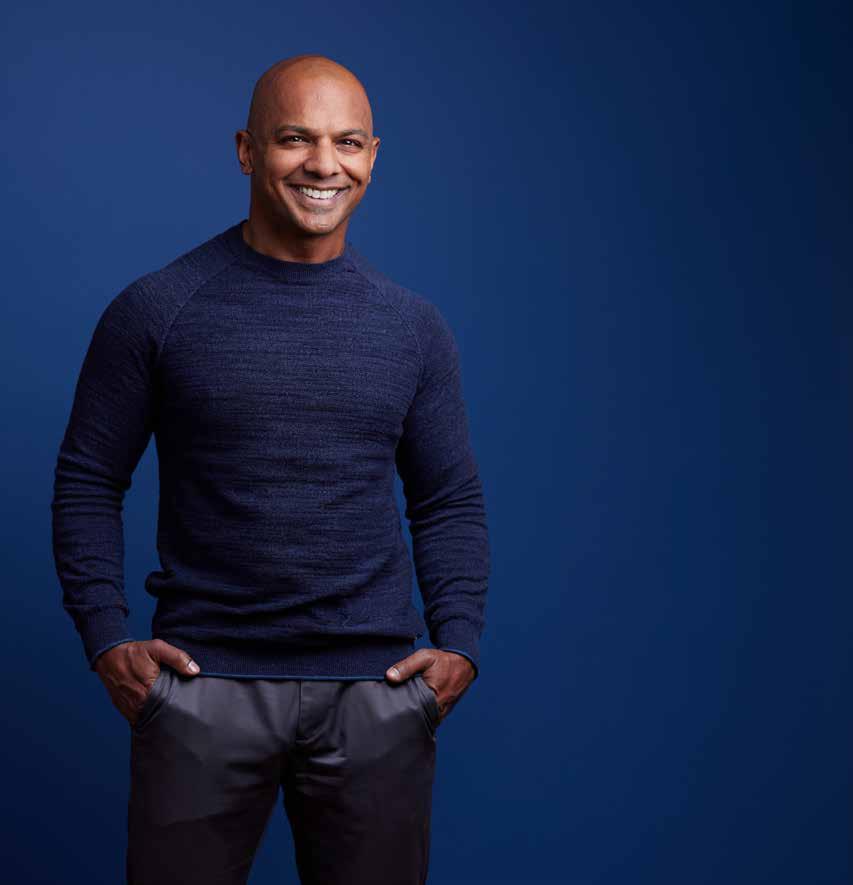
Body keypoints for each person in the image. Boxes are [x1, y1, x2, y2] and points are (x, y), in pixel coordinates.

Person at [51, 53, 490, 885]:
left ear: (371, 157)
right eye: (295, 139)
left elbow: (447, 500)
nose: (324, 165)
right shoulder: (157, 309)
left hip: (375, 693)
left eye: (347, 142)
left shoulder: (412, 328)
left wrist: (459, 642)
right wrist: (106, 635)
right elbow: (87, 481)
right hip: (201, 689)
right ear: (247, 150)